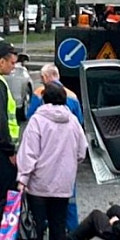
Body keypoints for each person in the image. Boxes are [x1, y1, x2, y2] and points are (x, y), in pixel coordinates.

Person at [16, 83, 87, 240]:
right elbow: (82, 152)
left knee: (37, 227)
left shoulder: (37, 121)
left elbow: (29, 153)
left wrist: (23, 178)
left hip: (38, 184)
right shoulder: (73, 122)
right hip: (63, 185)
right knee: (58, 225)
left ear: (44, 99)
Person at [26, 63, 83, 232]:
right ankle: (72, 231)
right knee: (68, 200)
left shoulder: (39, 94)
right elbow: (80, 126)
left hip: (44, 164)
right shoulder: (72, 95)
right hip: (67, 163)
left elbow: (30, 120)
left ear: (45, 78)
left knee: (40, 208)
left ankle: (41, 229)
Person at [0, 40, 20, 205]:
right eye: (12, 63)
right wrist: (10, 151)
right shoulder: (0, 85)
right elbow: (1, 122)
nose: (14, 67)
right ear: (1, 62)